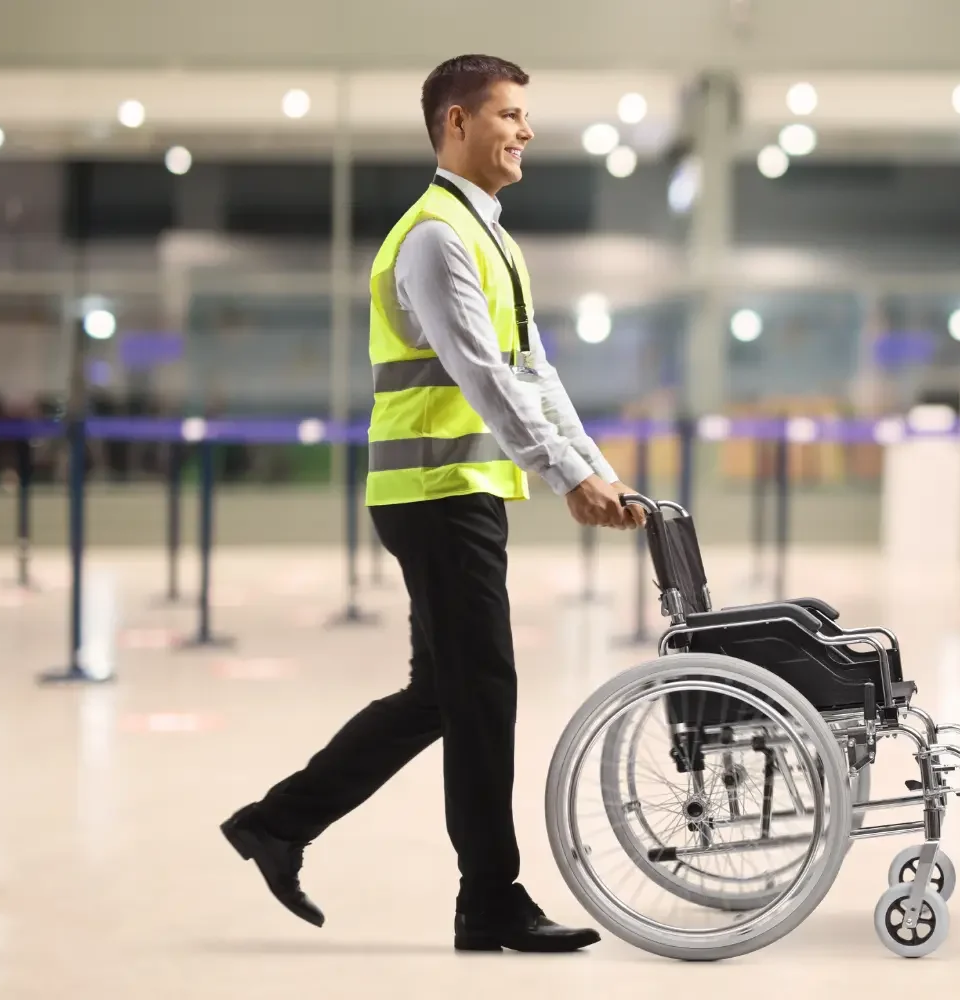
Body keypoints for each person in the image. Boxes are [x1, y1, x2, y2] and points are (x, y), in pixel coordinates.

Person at [220, 54, 646, 954]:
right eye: (509, 114)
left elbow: (535, 373)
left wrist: (593, 467)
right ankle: (489, 899)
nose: (526, 131)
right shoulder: (434, 238)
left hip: (460, 489)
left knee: (444, 695)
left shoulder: (490, 238)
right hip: (433, 492)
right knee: (483, 690)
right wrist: (566, 477)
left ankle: (276, 823)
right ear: (457, 122)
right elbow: (481, 375)